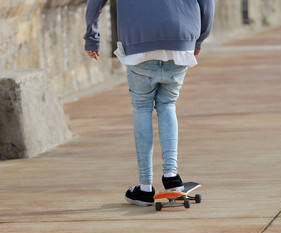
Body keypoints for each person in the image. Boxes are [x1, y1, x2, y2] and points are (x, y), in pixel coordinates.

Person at [84, 0, 215, 206]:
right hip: (180, 38)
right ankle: (171, 176)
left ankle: (145, 188)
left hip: (139, 41)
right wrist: (199, 39)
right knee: (167, 105)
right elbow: (207, 3)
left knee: (142, 107)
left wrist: (92, 38)